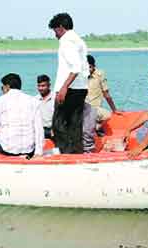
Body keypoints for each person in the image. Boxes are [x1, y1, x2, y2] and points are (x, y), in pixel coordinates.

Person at [48, 12, 90, 154]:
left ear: (60, 27)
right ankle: (77, 153)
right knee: (75, 125)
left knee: (58, 124)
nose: (55, 35)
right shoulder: (79, 40)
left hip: (69, 88)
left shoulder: (66, 41)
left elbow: (76, 67)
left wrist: (64, 87)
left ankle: (66, 154)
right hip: (81, 87)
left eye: (55, 31)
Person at [0, 73, 44, 158]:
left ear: (7, 87)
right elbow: (39, 130)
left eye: (2, 88)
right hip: (29, 150)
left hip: (7, 150)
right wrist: (38, 152)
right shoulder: (34, 101)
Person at [86, 54, 121, 122]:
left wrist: (114, 110)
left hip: (94, 109)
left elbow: (106, 95)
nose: (88, 70)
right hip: (84, 109)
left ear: (94, 66)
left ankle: (97, 127)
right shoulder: (80, 75)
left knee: (107, 115)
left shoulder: (100, 74)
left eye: (90, 67)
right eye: (85, 68)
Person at [35, 74, 55, 139]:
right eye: (39, 86)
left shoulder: (55, 98)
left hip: (53, 131)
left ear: (49, 85)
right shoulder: (35, 99)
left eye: (43, 86)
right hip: (39, 131)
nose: (40, 88)